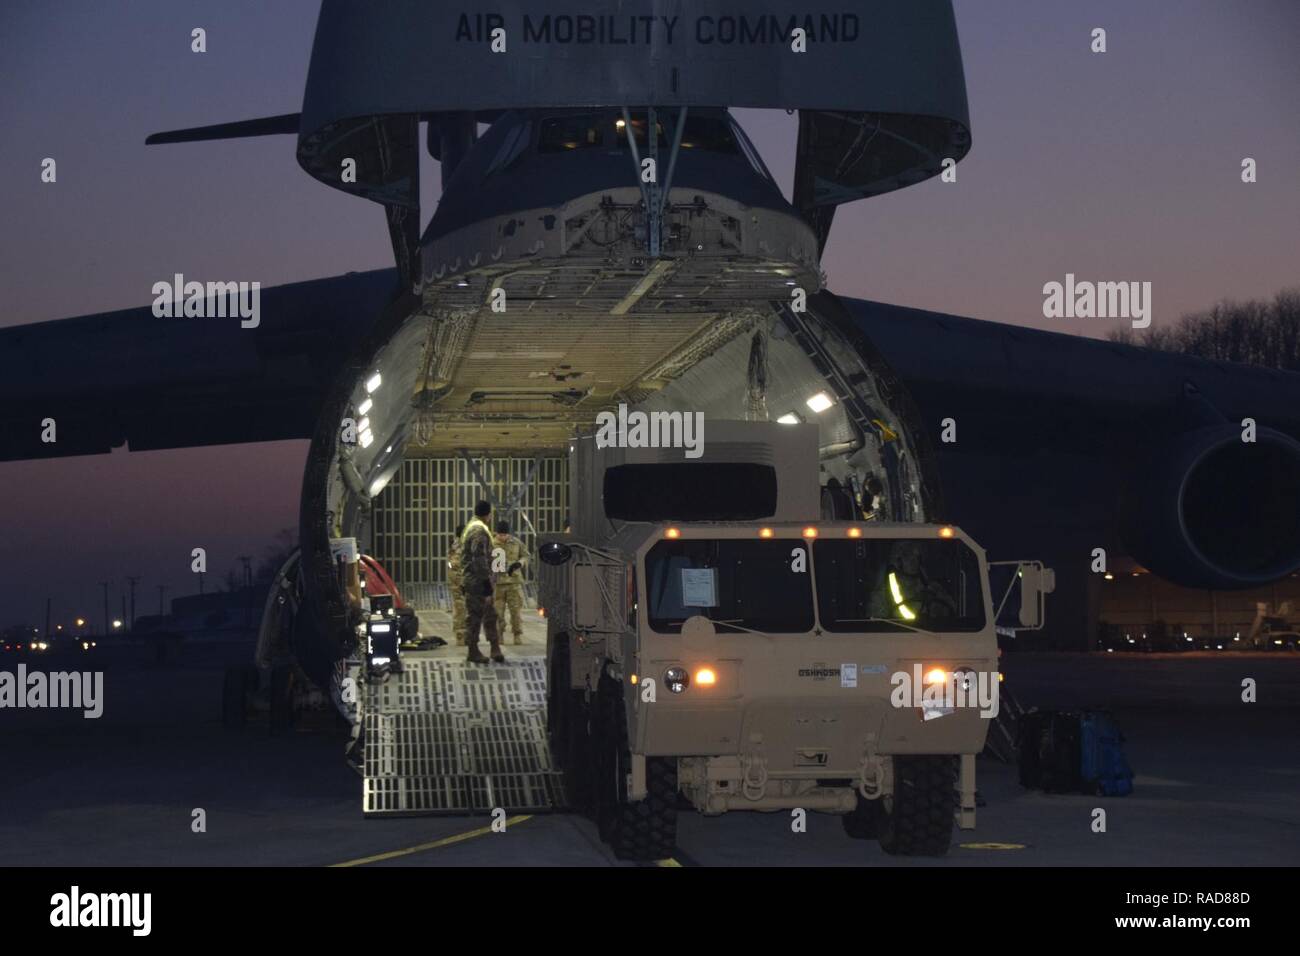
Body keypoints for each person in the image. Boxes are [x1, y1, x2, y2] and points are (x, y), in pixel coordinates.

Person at [460, 500, 503, 663]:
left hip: (477, 580)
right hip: (477, 582)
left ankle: (494, 647)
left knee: (490, 615)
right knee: (475, 617)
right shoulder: (478, 531)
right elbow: (479, 559)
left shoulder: (472, 526)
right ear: (488, 514)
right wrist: (487, 584)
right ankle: (473, 650)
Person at [492, 519, 526, 645]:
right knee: (498, 612)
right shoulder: (491, 544)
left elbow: (526, 555)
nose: (502, 537)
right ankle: (499, 634)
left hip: (513, 582)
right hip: (498, 584)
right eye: (500, 534)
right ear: (496, 533)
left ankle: (517, 634)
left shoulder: (516, 542)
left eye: (505, 534)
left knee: (515, 611)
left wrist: (520, 563)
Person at [447, 523, 466, 645]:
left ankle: (462, 635)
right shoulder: (460, 546)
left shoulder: (453, 545)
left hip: (458, 581)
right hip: (460, 581)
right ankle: (460, 636)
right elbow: (453, 565)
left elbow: (450, 565)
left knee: (461, 608)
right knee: (461, 608)